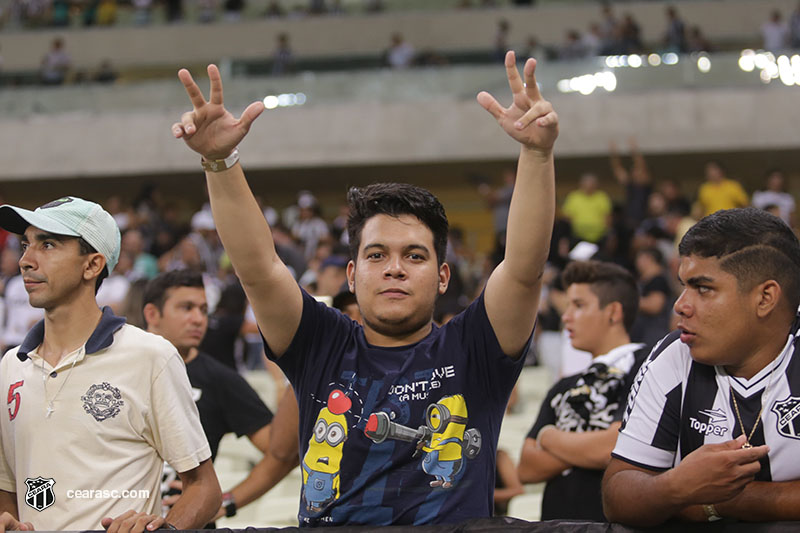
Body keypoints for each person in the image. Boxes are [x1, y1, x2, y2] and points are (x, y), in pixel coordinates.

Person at [172, 50, 558, 525]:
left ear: (443, 277)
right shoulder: (321, 343)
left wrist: (537, 154)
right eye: (377, 255)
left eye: (414, 256)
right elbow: (259, 269)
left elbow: (523, 267)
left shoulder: (475, 347)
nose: (394, 269)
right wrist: (219, 162)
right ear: (352, 276)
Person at [0, 197, 220, 531]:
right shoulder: (10, 366)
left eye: (47, 245)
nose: (25, 261)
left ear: (92, 265)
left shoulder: (150, 356)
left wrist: (165, 529)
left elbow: (204, 486)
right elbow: (8, 488)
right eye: (25, 245)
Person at [603, 207, 800, 526]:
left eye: (703, 288)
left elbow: (694, 503)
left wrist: (713, 500)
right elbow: (617, 496)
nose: (680, 305)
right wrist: (675, 486)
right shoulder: (675, 353)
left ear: (765, 298)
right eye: (683, 286)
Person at [143, 270, 298, 524]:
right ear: (152, 314)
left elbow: (283, 454)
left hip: (186, 523)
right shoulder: (119, 365)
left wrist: (227, 501)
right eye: (186, 308)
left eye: (204, 310)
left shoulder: (219, 379)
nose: (198, 319)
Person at [518, 260, 648, 521]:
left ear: (613, 312)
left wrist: (549, 438)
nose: (566, 316)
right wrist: (590, 449)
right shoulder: (562, 386)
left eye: (578, 305)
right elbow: (527, 468)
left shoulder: (647, 366)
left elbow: (616, 446)